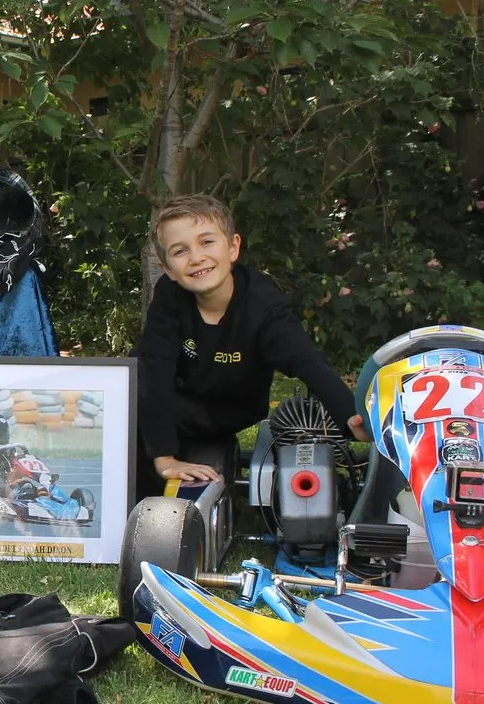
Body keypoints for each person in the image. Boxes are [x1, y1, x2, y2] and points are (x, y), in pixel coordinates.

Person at [134, 194, 368, 498]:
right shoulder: (169, 298)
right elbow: (154, 370)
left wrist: (352, 418)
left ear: (233, 247)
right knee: (133, 396)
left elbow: (307, 362)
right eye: (181, 251)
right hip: (172, 403)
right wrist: (164, 458)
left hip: (229, 407)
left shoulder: (262, 305)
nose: (196, 257)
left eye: (207, 242)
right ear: (168, 269)